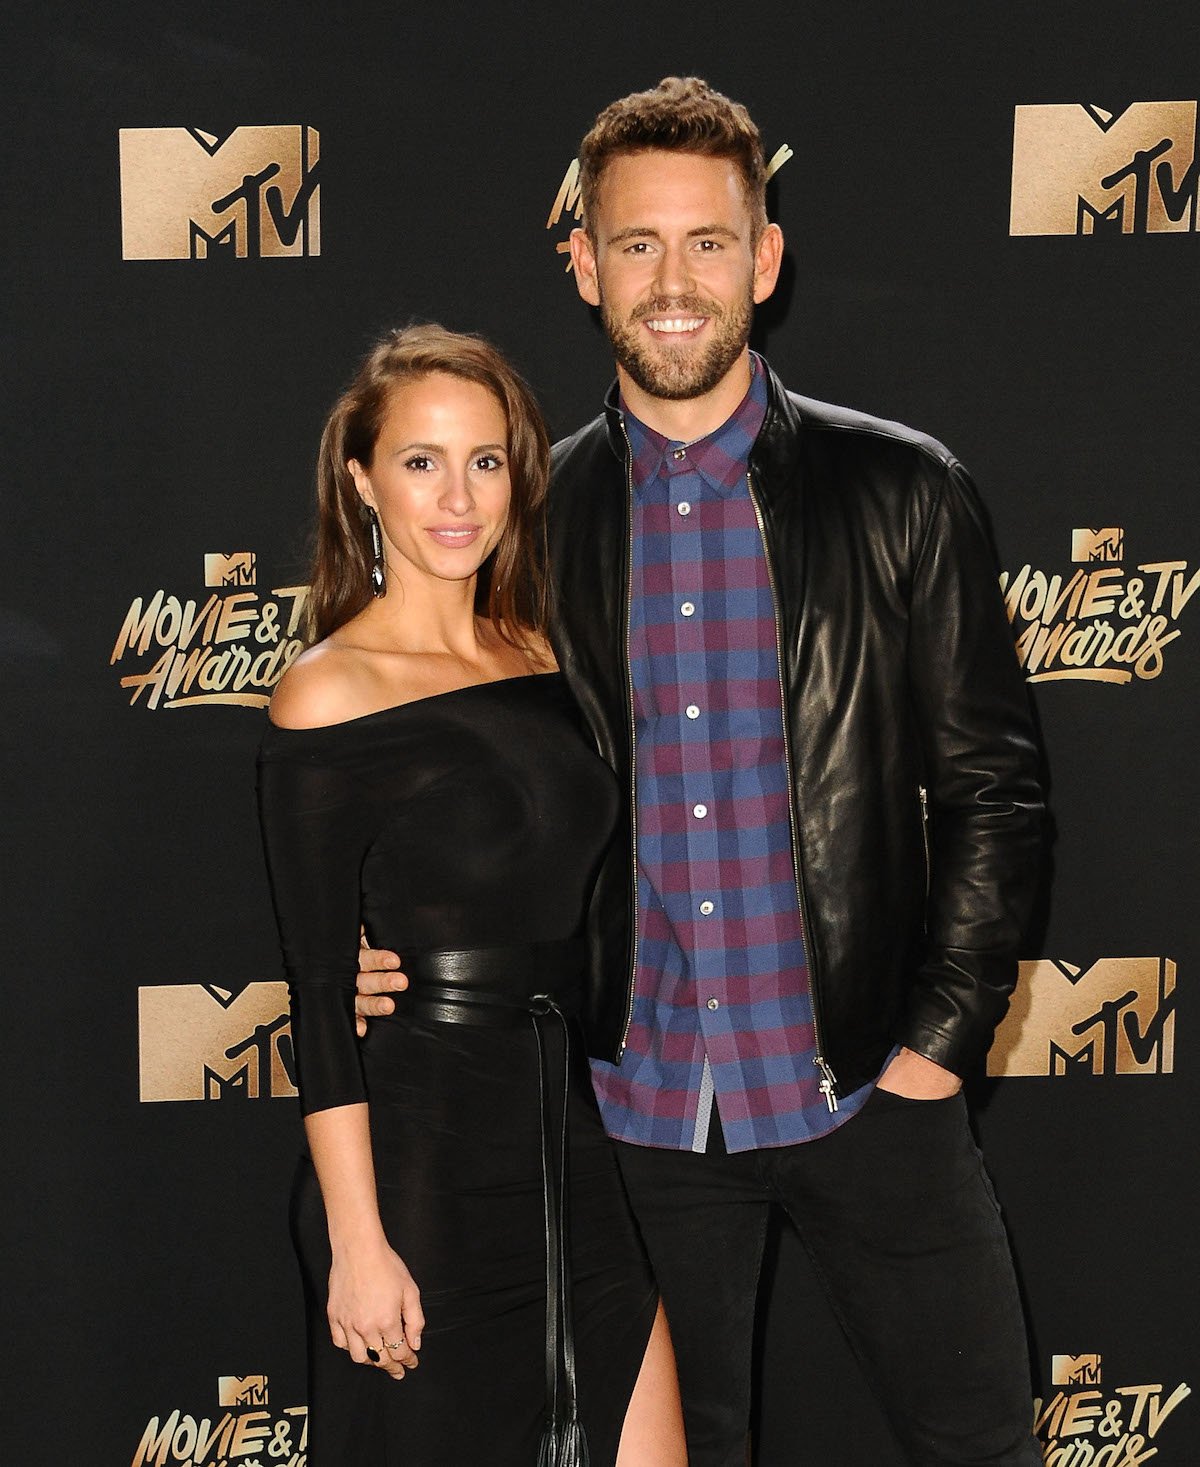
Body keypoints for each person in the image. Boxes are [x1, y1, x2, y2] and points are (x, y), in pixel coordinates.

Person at [355, 80, 1045, 1467]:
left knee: (981, 1442)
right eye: (638, 245)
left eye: (709, 243)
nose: (675, 283)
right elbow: (470, 792)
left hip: (868, 1089)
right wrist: (392, 945)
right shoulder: (529, 528)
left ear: (765, 258)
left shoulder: (904, 492)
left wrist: (936, 1045)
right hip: (637, 1113)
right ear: (585, 261)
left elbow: (996, 787)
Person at [257, 324, 685, 1467]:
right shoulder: (327, 693)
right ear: (362, 482)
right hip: (421, 1166)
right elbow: (316, 994)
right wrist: (358, 1239)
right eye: (421, 461)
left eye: (486, 461)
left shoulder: (541, 654)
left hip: (567, 1139)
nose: (459, 496)